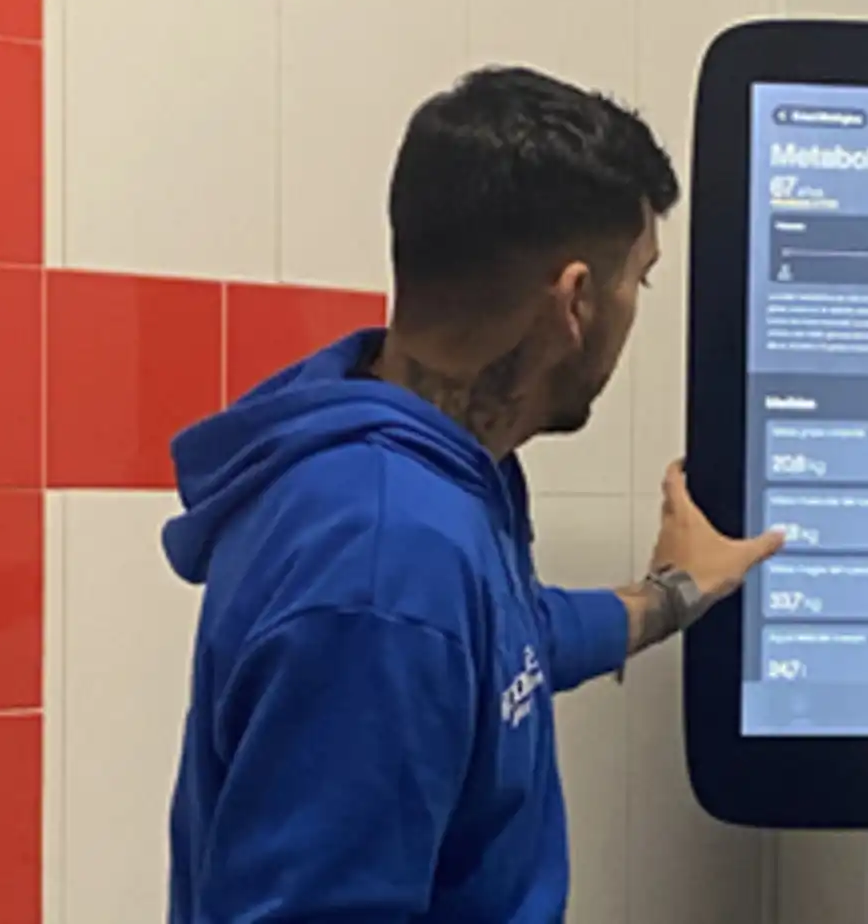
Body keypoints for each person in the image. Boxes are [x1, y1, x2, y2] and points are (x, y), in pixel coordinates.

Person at [160, 67, 784, 923]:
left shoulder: (408, 462)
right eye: (638, 280)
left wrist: (672, 594)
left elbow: (501, 645)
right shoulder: (385, 565)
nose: (635, 309)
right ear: (575, 301)